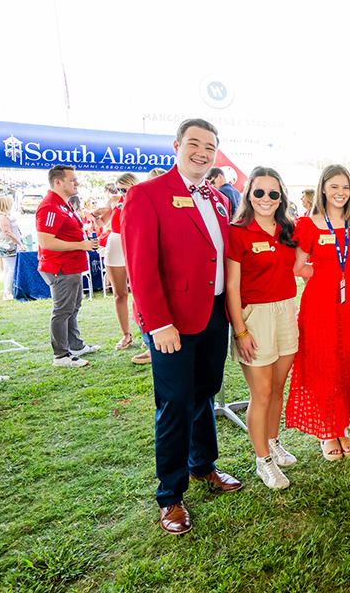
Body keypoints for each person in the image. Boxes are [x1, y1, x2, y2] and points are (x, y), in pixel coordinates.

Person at [121, 118, 241, 535]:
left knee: (205, 393)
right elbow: (141, 268)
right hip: (172, 323)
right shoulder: (146, 195)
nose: (202, 153)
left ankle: (203, 465)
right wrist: (158, 324)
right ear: (176, 145)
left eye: (210, 147)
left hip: (214, 315)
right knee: (175, 403)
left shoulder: (219, 199)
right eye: (194, 144)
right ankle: (170, 496)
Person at [286, 165, 350, 459]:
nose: (340, 193)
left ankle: (344, 427)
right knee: (323, 361)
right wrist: (328, 272)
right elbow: (298, 267)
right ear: (323, 188)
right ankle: (328, 430)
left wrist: (344, 273)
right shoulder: (307, 224)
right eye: (334, 187)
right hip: (320, 301)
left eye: (346, 187)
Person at [227, 166, 299, 488]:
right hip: (254, 316)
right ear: (249, 194)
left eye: (273, 193)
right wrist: (240, 331)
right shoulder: (238, 231)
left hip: (286, 310)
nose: (266, 199)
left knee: (277, 389)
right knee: (263, 392)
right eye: (259, 192)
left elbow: (302, 265)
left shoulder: (288, 230)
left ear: (281, 197)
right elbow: (231, 287)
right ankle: (263, 461)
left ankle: (272, 441)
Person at [36, 165, 101, 368]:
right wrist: (80, 245)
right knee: (63, 310)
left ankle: (76, 345)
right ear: (58, 182)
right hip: (60, 266)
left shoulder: (62, 204)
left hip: (71, 265)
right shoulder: (49, 206)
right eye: (72, 180)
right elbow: (46, 241)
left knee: (73, 307)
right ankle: (61, 355)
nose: (77, 183)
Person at [131, 169, 169, 366]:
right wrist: (158, 324)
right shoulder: (140, 197)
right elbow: (140, 267)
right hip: (155, 305)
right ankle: (150, 345)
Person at [97, 173, 138, 351]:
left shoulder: (142, 198)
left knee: (140, 292)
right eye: (119, 188)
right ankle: (126, 335)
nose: (122, 191)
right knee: (119, 293)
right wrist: (96, 215)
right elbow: (101, 223)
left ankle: (147, 333)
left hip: (135, 243)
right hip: (115, 244)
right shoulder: (114, 200)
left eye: (125, 188)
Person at [0, 194, 26, 301]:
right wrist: (20, 243)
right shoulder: (1, 216)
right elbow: (7, 232)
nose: (11, 205)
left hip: (4, 245)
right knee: (11, 269)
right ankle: (8, 292)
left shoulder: (0, 215)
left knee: (7, 269)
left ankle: (8, 290)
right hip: (7, 246)